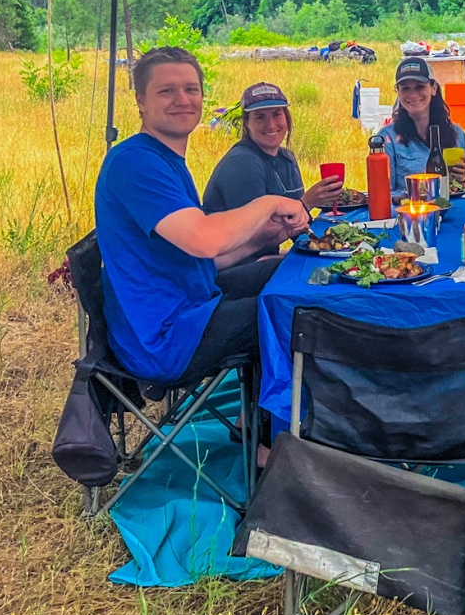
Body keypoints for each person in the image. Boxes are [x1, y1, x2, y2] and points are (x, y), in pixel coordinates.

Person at [95, 47, 309, 394]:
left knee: (291, 272)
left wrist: (265, 237)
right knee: (298, 311)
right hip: (164, 338)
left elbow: (201, 259)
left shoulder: (165, 159)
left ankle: (254, 424)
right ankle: (275, 444)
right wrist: (270, 203)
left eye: (190, 89)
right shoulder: (134, 162)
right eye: (166, 91)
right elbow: (204, 240)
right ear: (141, 101)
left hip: (192, 303)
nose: (182, 99)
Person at [203, 82, 342, 265]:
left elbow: (297, 230)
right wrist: (307, 203)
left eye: (277, 114)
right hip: (229, 266)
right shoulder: (243, 162)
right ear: (246, 123)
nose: (271, 124)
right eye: (260, 117)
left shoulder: (287, 158)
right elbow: (254, 237)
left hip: (263, 257)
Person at [377, 57, 465, 194]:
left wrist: (462, 180)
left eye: (420, 87)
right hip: (411, 212)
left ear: (433, 88)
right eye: (405, 88)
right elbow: (383, 193)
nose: (413, 94)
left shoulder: (456, 133)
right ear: (398, 92)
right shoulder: (387, 138)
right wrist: (416, 193)